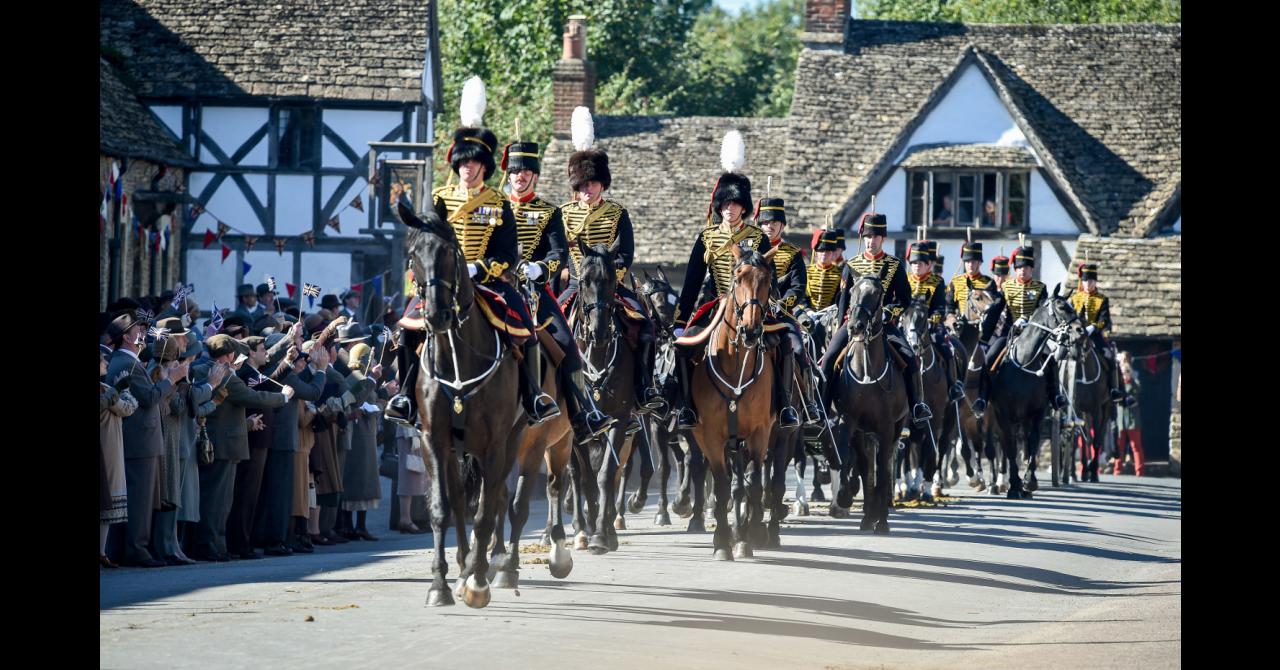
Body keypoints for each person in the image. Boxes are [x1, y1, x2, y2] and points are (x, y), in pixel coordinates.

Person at [418, 76, 558, 426]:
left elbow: (508, 253)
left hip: (488, 283)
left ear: (484, 166)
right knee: (406, 329)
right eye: (462, 163)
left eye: (473, 163)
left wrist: (480, 269)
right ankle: (406, 398)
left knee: (527, 328)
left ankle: (533, 397)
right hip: (443, 284)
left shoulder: (497, 203)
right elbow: (425, 244)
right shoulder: (440, 199)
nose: (467, 168)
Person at [500, 137, 613, 442]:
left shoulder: (549, 213)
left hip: (533, 292)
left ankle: (581, 414)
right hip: (494, 284)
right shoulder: (493, 208)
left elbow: (557, 254)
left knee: (568, 346)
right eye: (515, 171)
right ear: (508, 174)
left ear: (534, 175)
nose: (520, 176)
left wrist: (540, 268)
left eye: (526, 171)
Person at [558, 105, 665, 417]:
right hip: (578, 286)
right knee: (551, 331)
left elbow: (627, 252)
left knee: (645, 327)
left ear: (601, 183)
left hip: (612, 285)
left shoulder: (617, 212)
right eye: (582, 185)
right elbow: (561, 250)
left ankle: (644, 388)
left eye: (592, 184)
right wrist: (565, 269)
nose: (587, 190)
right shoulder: (564, 214)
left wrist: (612, 275)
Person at [670, 130, 774, 429]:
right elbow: (691, 282)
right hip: (715, 305)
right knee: (683, 347)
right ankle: (684, 406)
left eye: (735, 204)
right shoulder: (707, 237)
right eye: (725, 204)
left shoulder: (757, 237)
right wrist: (680, 321)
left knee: (787, 345)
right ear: (719, 206)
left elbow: (771, 279)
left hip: (756, 306)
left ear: (744, 207)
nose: (729, 209)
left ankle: (788, 406)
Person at [818, 213, 932, 425]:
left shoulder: (894, 265)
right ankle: (821, 408)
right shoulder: (851, 264)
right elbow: (843, 299)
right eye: (868, 237)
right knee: (829, 358)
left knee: (909, 358)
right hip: (852, 324)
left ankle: (917, 405)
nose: (871, 241)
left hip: (883, 325)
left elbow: (904, 299)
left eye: (876, 237)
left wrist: (890, 312)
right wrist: (841, 326)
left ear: (883, 239)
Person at [191, 335, 291, 562]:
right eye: (235, 353)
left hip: (218, 442)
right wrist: (282, 398)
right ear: (228, 355)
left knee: (216, 499)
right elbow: (252, 397)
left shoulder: (202, 368)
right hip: (226, 444)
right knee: (218, 501)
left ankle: (214, 544)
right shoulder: (225, 375)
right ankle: (210, 545)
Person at [106, 311, 189, 568]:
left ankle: (134, 547)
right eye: (138, 329)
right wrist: (171, 380)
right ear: (127, 337)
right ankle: (136, 549)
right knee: (139, 498)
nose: (142, 332)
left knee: (143, 499)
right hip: (139, 440)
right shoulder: (124, 363)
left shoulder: (132, 361)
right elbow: (149, 398)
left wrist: (168, 382)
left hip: (145, 439)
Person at [758, 195, 823, 426]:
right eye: (765, 222)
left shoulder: (793, 253)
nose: (769, 226)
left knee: (797, 351)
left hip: (781, 317)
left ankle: (807, 403)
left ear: (782, 225)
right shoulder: (750, 249)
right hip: (752, 316)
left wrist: (782, 304)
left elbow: (798, 287)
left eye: (774, 222)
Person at [983, 241, 1068, 411]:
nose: (1023, 270)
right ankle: (983, 397)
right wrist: (984, 339)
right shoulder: (1006, 287)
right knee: (989, 358)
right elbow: (994, 313)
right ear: (1015, 269)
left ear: (1032, 269)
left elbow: (1043, 311)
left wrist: (1029, 321)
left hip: (1033, 334)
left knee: (1050, 360)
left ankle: (1055, 396)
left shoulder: (1040, 288)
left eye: (1027, 267)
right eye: (1020, 267)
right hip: (1009, 334)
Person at [905, 242, 964, 403]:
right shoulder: (905, 280)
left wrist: (933, 320)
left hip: (930, 326)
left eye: (920, 263)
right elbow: (899, 302)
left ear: (928, 264)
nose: (917, 266)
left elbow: (939, 306)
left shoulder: (937, 281)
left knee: (947, 348)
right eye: (914, 263)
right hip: (906, 326)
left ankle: (953, 386)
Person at [1070, 262, 1134, 406]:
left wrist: (1093, 328)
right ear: (1082, 281)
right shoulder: (1074, 299)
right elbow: (1070, 319)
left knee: (1111, 358)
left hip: (1095, 336)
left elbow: (1105, 320)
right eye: (1086, 280)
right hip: (1078, 336)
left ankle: (1116, 391)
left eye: (1091, 280)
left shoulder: (1102, 299)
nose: (1088, 283)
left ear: (1095, 281)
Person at [101, 348, 139, 568]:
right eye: (102, 359)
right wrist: (117, 392)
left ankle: (101, 551)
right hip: (104, 446)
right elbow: (116, 403)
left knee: (108, 505)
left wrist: (118, 392)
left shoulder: (105, 387)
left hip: (113, 446)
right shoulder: (105, 389)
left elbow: (129, 407)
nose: (106, 362)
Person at [1114, 353, 1145, 476]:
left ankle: (1140, 471)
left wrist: (1130, 378)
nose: (1125, 373)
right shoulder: (1117, 385)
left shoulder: (1134, 382)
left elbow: (1138, 390)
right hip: (1120, 420)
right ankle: (1117, 470)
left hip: (1132, 420)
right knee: (1119, 447)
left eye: (1127, 371)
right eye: (1123, 371)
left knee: (1136, 446)